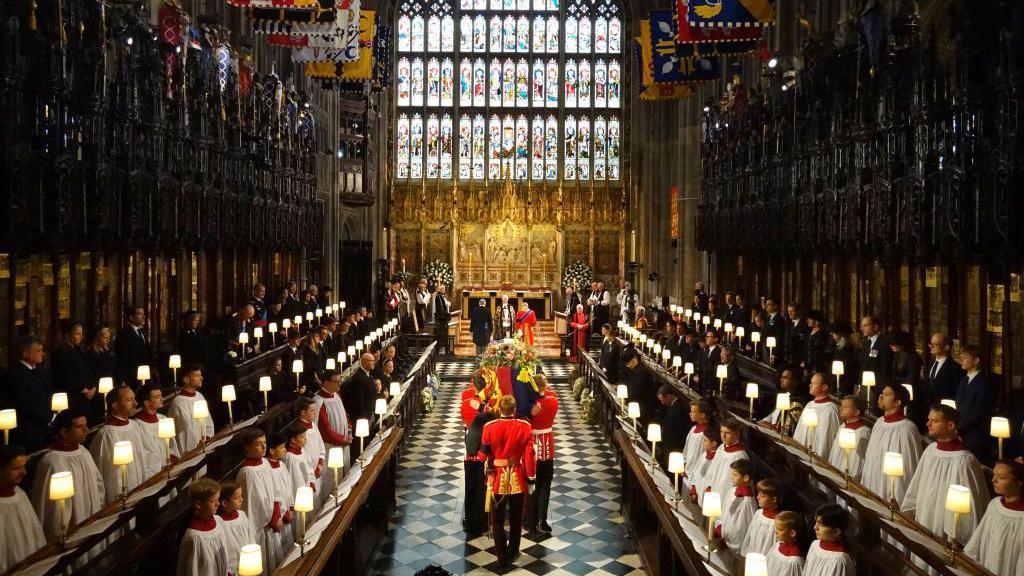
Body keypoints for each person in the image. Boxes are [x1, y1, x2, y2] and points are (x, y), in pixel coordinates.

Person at [902, 404, 989, 570]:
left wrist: (959, 535)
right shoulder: (930, 450)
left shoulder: (965, 461)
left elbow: (971, 506)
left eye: (934, 421)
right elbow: (917, 484)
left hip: (945, 525)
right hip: (925, 516)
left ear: (950, 425)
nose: (928, 424)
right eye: (928, 420)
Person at [30, 409, 105, 544]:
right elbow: (50, 508)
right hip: (68, 529)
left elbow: (97, 483)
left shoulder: (83, 452)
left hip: (91, 516)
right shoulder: (51, 461)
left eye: (86, 425)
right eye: (79, 427)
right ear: (64, 432)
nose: (86, 430)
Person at [481, 395, 533, 571]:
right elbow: (530, 456)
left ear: (498, 409)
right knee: (517, 518)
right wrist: (531, 478)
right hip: (518, 476)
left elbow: (483, 454)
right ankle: (513, 551)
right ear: (514, 408)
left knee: (497, 521)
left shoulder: (489, 427)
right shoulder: (524, 426)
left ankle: (502, 559)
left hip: (496, 479)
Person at [861, 384, 923, 506]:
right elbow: (870, 457)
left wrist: (901, 499)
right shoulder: (879, 422)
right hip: (873, 482)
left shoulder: (907, 429)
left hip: (892, 492)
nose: (880, 396)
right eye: (882, 393)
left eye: (886, 394)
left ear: (897, 402)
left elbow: (909, 466)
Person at [89, 385, 149, 504]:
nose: (135, 403)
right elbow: (99, 470)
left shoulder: (134, 426)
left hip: (139, 485)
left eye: (134, 398)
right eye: (129, 400)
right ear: (115, 405)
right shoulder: (106, 434)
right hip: (117, 493)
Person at [235, 429, 284, 572]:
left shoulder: (265, 462)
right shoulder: (246, 473)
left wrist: (275, 515)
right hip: (257, 530)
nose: (264, 447)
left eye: (265, 443)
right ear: (247, 447)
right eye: (258, 444)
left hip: (270, 524)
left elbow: (275, 491)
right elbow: (250, 507)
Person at [964, 460, 1024, 575]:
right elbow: (979, 540)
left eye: (1001, 477)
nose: (993, 480)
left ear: (1019, 483)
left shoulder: (1021, 518)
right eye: (994, 475)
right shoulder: (994, 505)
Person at [0, 445, 45, 572]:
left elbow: (34, 531)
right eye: (16, 468)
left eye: (24, 466)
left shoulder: (19, 493)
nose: (24, 472)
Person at [176, 477, 230, 576]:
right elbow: (193, 570)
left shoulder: (218, 521)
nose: (218, 503)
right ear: (198, 504)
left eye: (218, 499)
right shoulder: (194, 537)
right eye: (213, 501)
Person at [525, 374, 558, 534]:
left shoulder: (531, 406)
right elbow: (551, 393)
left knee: (531, 484)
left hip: (532, 448)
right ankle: (542, 519)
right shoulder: (553, 401)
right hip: (547, 448)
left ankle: (530, 520)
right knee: (546, 484)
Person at [6, 336, 51, 450]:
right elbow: (25, 404)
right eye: (38, 350)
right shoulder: (16, 374)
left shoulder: (37, 370)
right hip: (28, 431)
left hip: (43, 428)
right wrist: (50, 416)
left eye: (42, 350)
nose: (42, 353)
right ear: (25, 353)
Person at [51, 322, 97, 423]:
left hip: (87, 396)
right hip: (73, 397)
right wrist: (84, 390)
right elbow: (67, 376)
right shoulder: (61, 352)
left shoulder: (80, 350)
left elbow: (89, 369)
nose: (81, 337)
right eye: (77, 334)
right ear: (67, 336)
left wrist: (93, 386)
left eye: (82, 334)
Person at [716, 459, 757, 568]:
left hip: (732, 550)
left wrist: (728, 542)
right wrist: (720, 530)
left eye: (735, 475)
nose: (731, 477)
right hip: (724, 541)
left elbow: (743, 531)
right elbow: (724, 514)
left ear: (746, 478)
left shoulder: (748, 502)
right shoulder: (732, 491)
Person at [461, 372, 488, 536]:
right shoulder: (488, 405)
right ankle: (482, 519)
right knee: (483, 484)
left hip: (470, 445)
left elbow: (463, 415)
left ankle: (470, 518)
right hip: (484, 446)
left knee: (470, 484)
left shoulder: (465, 400)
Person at [134, 384, 180, 478]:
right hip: (151, 474)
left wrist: (172, 460)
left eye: (161, 396)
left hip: (168, 470)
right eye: (157, 397)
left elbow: (172, 445)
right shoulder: (137, 426)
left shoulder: (163, 419)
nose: (162, 399)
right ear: (146, 402)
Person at [955, 345, 993, 460]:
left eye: (965, 358)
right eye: (960, 357)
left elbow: (977, 412)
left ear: (976, 360)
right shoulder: (963, 380)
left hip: (974, 436)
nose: (960, 360)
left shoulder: (983, 383)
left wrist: (958, 427)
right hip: (961, 432)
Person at [317, 369, 353, 488]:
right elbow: (325, 432)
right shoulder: (319, 402)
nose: (339, 384)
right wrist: (343, 440)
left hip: (344, 442)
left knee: (344, 478)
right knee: (333, 481)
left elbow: (345, 415)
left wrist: (349, 431)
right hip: (331, 447)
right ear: (326, 383)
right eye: (336, 381)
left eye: (340, 381)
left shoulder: (337, 395)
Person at [168, 365, 215, 455]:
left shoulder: (199, 396)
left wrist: (207, 437)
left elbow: (208, 422)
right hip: (188, 451)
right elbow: (184, 431)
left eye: (200, 375)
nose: (201, 378)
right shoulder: (178, 402)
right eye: (197, 376)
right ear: (186, 379)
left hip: (204, 446)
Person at [791, 373, 841, 458]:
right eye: (811, 382)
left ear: (824, 387)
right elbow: (800, 431)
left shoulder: (831, 409)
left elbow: (828, 439)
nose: (809, 385)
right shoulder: (810, 404)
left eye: (813, 384)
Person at [701, 418, 748, 506]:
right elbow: (712, 470)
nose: (723, 435)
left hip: (725, 498)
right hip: (713, 493)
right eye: (721, 432)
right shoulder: (721, 447)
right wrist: (708, 486)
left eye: (728, 433)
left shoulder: (739, 456)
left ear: (737, 434)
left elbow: (735, 483)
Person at [826, 395, 871, 481]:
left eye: (845, 407)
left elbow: (859, 461)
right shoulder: (843, 426)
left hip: (850, 478)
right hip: (836, 472)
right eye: (841, 406)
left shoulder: (863, 432)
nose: (840, 409)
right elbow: (835, 452)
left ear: (856, 412)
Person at [803, 504, 855, 576]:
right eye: (816, 522)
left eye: (820, 524)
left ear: (837, 532)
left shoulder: (840, 559)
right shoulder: (815, 545)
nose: (815, 527)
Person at [218, 480, 255, 576]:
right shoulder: (219, 523)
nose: (242, 499)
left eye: (241, 496)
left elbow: (250, 537)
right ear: (225, 503)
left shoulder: (242, 515)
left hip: (248, 565)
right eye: (237, 498)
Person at [265, 433, 295, 550]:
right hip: (276, 517)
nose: (285, 450)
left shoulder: (281, 465)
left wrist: (289, 507)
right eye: (282, 447)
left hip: (285, 513)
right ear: (271, 451)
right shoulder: (267, 469)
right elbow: (273, 496)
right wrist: (279, 515)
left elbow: (288, 487)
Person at [740, 478, 780, 562]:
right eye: (758, 494)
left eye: (763, 496)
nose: (757, 497)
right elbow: (749, 536)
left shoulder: (777, 523)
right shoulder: (758, 514)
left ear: (774, 499)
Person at [890, 330, 924, 425]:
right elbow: (894, 375)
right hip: (898, 391)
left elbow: (912, 379)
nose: (891, 346)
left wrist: (898, 385)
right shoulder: (897, 354)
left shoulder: (914, 357)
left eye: (894, 344)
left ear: (902, 344)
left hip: (911, 393)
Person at [758, 366, 805, 436]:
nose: (781, 380)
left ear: (795, 381)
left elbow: (788, 430)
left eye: (785, 378)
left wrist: (771, 427)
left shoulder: (798, 402)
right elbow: (773, 415)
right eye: (781, 377)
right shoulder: (785, 395)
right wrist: (763, 421)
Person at [115, 305, 153, 387]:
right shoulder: (124, 334)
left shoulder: (141, 331)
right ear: (131, 317)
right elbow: (122, 359)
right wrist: (124, 380)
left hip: (145, 375)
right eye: (140, 314)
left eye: (144, 314)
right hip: (132, 378)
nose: (144, 316)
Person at [923, 332, 963, 409]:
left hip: (942, 410)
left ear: (946, 347)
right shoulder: (930, 363)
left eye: (936, 344)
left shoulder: (954, 368)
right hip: (926, 408)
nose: (931, 346)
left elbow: (956, 392)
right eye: (931, 343)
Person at [295, 398, 325, 498]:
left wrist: (320, 463)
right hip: (308, 473)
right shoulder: (299, 431)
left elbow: (320, 445)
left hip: (317, 469)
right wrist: (313, 472)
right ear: (303, 412)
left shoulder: (313, 424)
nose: (315, 413)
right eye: (312, 410)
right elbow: (303, 455)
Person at [656, 385, 690, 468]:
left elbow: (680, 430)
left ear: (668, 396)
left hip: (675, 446)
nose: (662, 403)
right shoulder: (671, 406)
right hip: (669, 445)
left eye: (662, 400)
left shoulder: (680, 408)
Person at [622, 349, 656, 430]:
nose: (628, 366)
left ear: (634, 360)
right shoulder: (634, 370)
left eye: (628, 363)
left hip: (642, 408)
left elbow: (636, 391)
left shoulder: (642, 372)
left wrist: (625, 398)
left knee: (639, 429)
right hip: (636, 405)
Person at [857, 315, 892, 393]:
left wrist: (883, 390)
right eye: (862, 326)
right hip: (865, 386)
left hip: (878, 388)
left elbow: (885, 369)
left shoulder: (884, 343)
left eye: (865, 325)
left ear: (875, 327)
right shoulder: (866, 342)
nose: (862, 328)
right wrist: (860, 385)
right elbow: (863, 365)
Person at [683, 400, 714, 483]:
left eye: (693, 412)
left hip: (698, 473)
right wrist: (684, 464)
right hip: (688, 470)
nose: (690, 413)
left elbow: (703, 454)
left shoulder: (706, 434)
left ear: (702, 414)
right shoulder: (693, 429)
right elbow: (687, 449)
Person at [765, 511, 803, 576]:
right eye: (776, 528)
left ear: (792, 533)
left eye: (780, 529)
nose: (776, 531)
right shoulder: (777, 546)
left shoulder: (794, 561)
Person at [689, 426, 721, 505]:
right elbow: (695, 473)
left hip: (707, 500)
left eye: (705, 440)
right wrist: (693, 492)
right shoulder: (704, 455)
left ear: (714, 443)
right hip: (697, 495)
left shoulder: (717, 460)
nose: (702, 442)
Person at [829, 321, 858, 395]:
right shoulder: (837, 346)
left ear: (841, 334)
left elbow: (847, 365)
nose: (832, 335)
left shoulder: (848, 347)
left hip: (844, 380)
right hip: (837, 378)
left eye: (834, 333)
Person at [804, 310, 831, 375]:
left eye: (810, 319)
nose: (807, 321)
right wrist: (805, 363)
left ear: (816, 321)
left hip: (818, 367)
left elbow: (822, 352)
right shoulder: (809, 332)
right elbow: (806, 350)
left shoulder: (823, 334)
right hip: (807, 366)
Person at [433, 285, 452, 353]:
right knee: (440, 333)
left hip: (442, 317)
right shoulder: (438, 297)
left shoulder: (440, 296)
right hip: (441, 318)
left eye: (444, 288)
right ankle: (440, 346)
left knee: (442, 332)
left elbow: (443, 305)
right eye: (443, 289)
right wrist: (445, 316)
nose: (444, 290)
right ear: (440, 290)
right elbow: (440, 308)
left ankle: (442, 346)